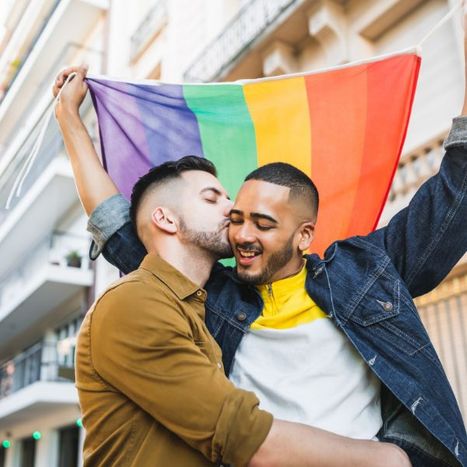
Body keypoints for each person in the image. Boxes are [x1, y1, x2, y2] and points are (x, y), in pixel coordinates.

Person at [53, 32, 467, 466]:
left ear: (304, 235)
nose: (242, 233)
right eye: (235, 217)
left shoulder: (365, 269)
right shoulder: (204, 295)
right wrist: (70, 119)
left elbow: (453, 199)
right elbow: (115, 223)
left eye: (263, 223)